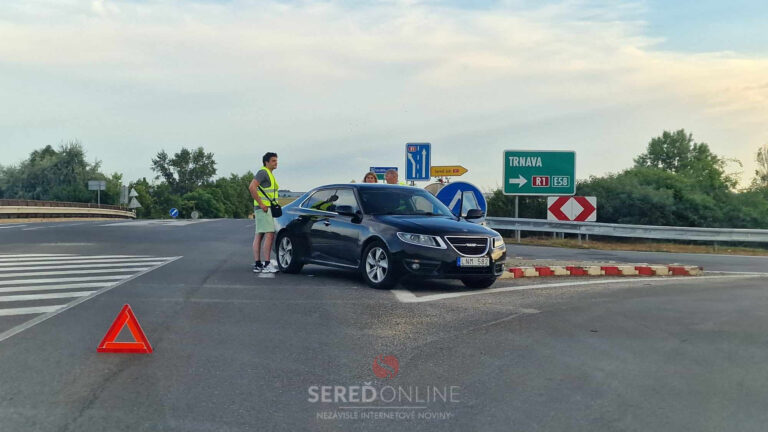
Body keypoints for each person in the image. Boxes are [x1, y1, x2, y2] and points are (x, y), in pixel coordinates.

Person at [249, 152, 280, 273]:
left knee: (260, 234)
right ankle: (267, 264)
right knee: (269, 234)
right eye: (273, 161)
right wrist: (262, 204)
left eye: (276, 160)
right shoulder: (263, 172)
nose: (276, 163)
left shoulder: (269, 174)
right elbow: (252, 187)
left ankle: (258, 264)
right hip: (264, 208)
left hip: (264, 208)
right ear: (266, 162)